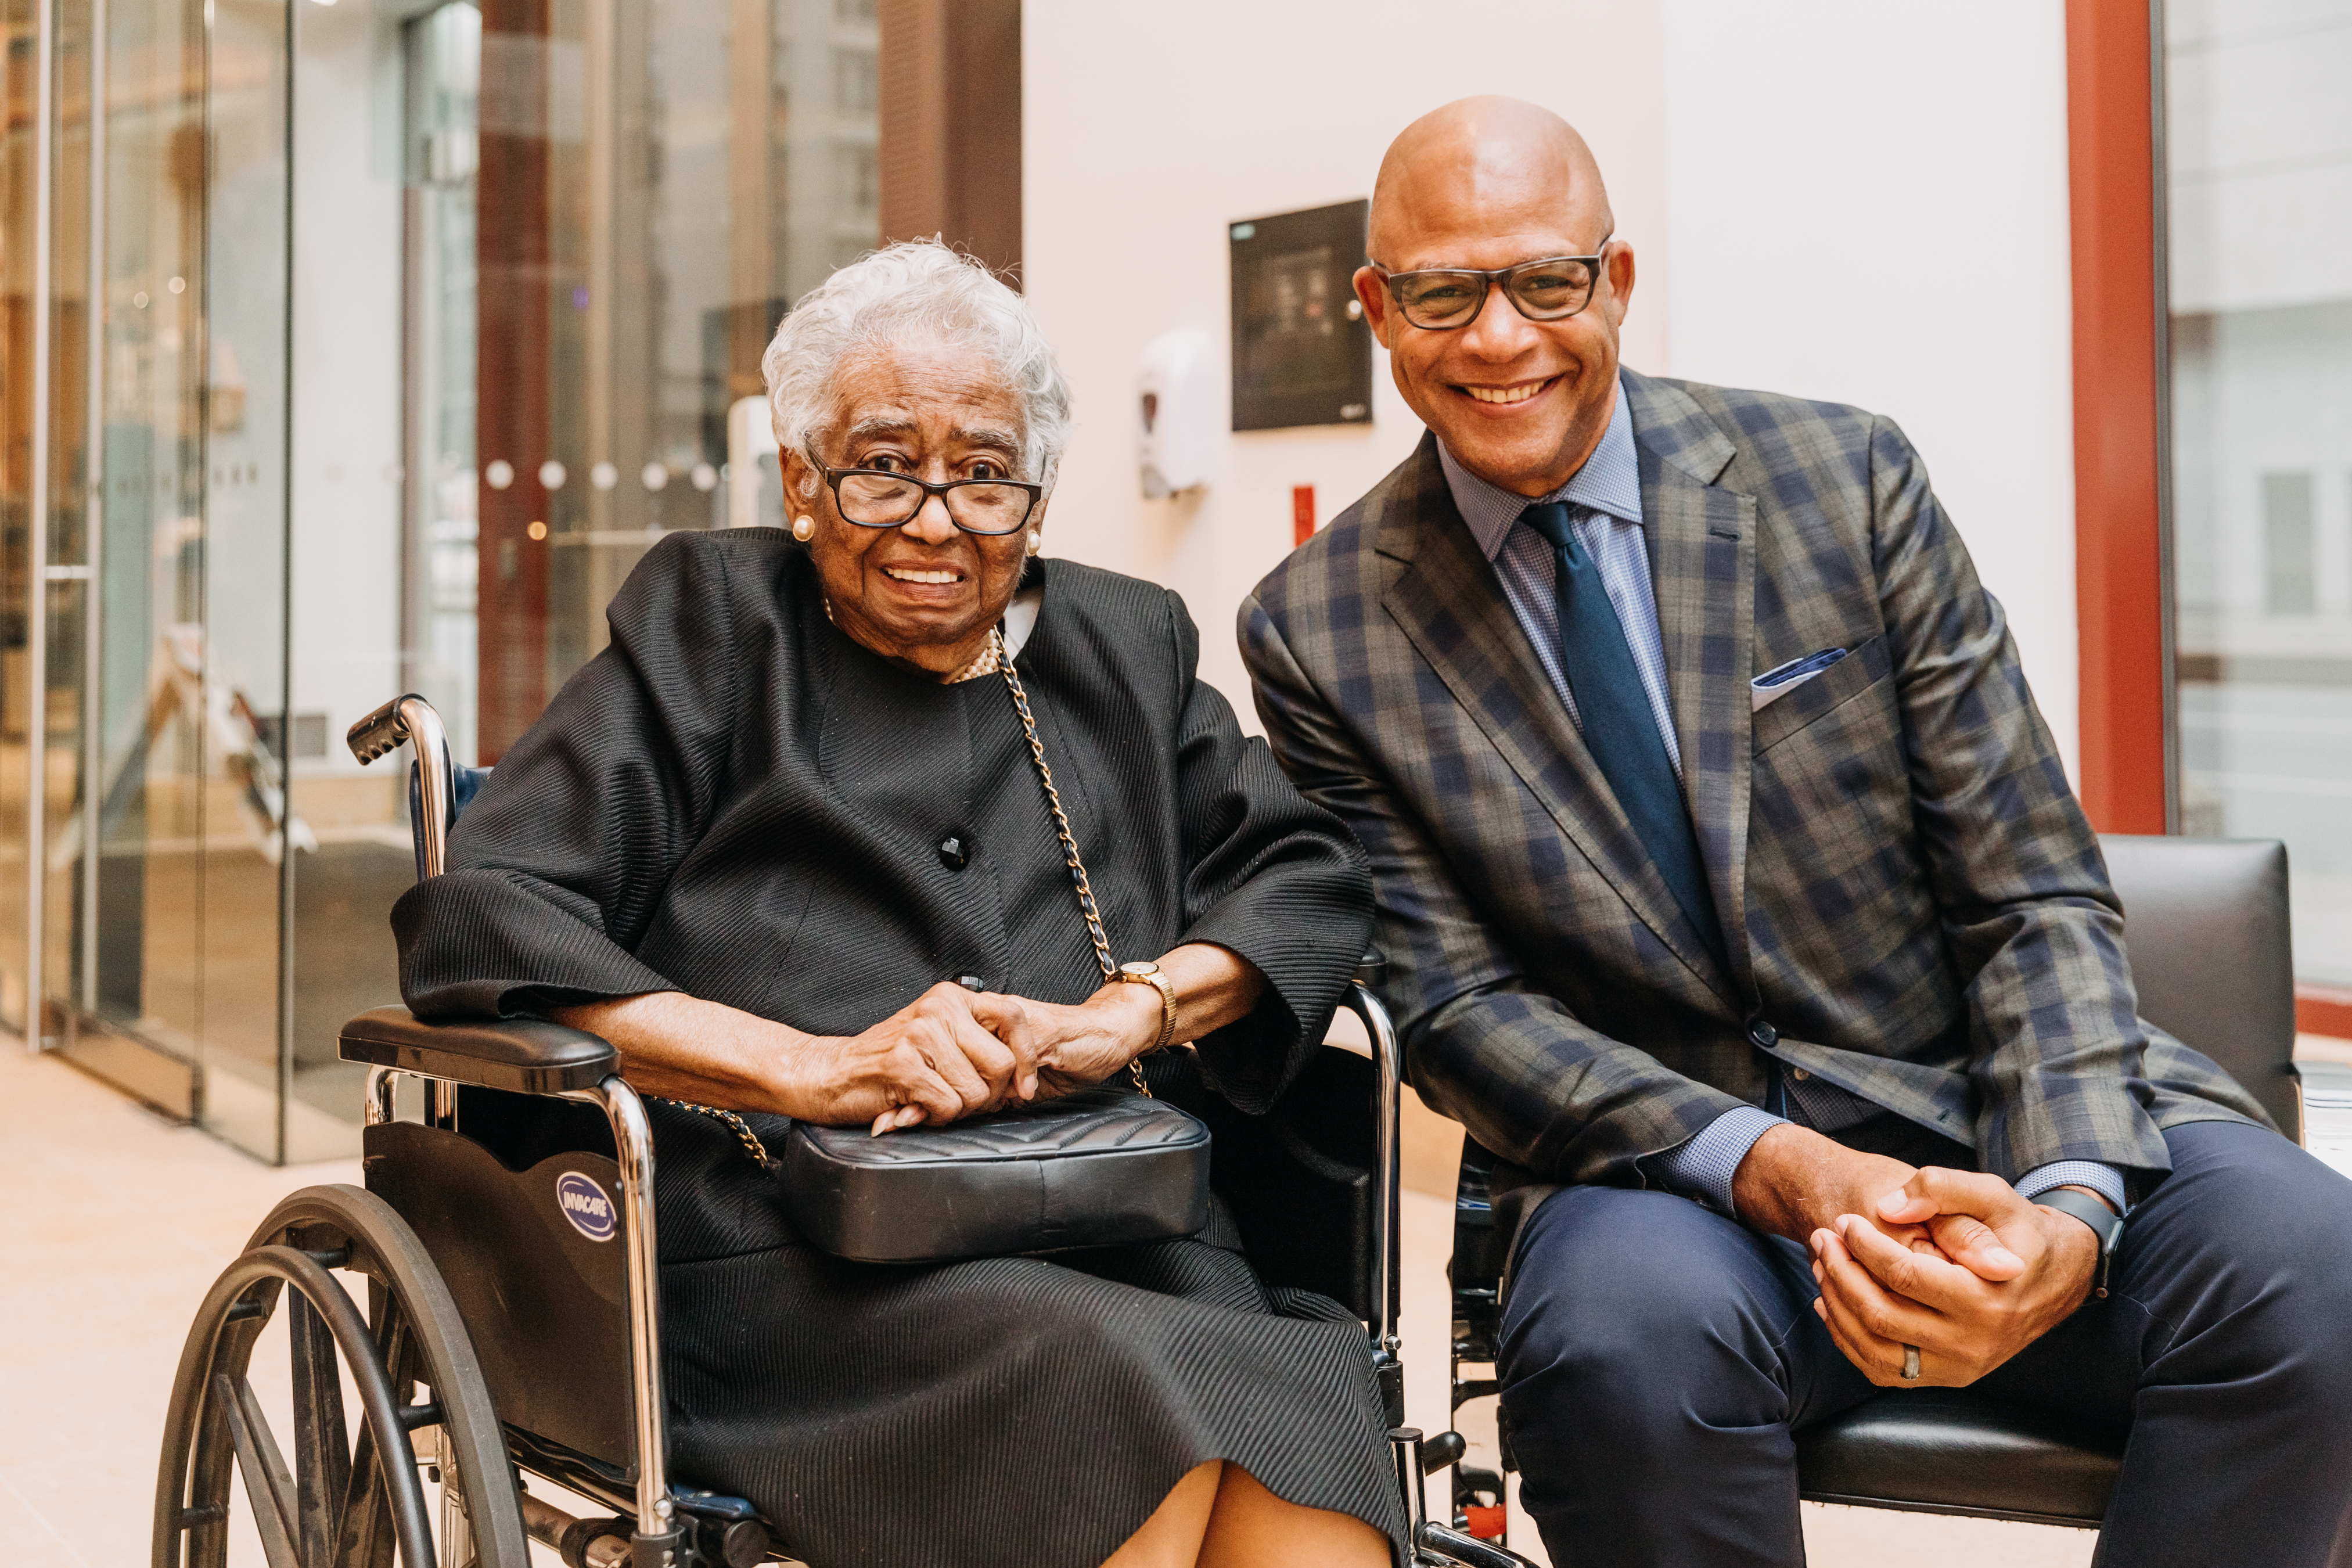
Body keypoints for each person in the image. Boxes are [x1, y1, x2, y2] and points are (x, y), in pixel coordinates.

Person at [1239, 96, 2352, 1566]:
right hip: (1669, 1179)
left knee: (2317, 1277)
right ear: (1381, 309)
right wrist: (1775, 1164)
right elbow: (1457, 1011)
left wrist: (2068, 1207)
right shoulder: (1316, 628)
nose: (1500, 338)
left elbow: (2028, 886)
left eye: (1546, 282)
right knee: (1614, 1355)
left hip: (1984, 1103)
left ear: (1616, 281)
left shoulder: (1845, 480)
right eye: (1445, 292)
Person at [397, 240, 1400, 1568]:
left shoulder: (1125, 646)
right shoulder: (712, 632)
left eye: (986, 473)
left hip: (1110, 1209)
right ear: (803, 481)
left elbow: (1306, 879)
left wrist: (1127, 1016)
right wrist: (812, 1069)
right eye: (884, 464)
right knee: (1118, 1397)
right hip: (790, 1252)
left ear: (1036, 500)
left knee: (1298, 1401)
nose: (937, 517)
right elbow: (489, 917)